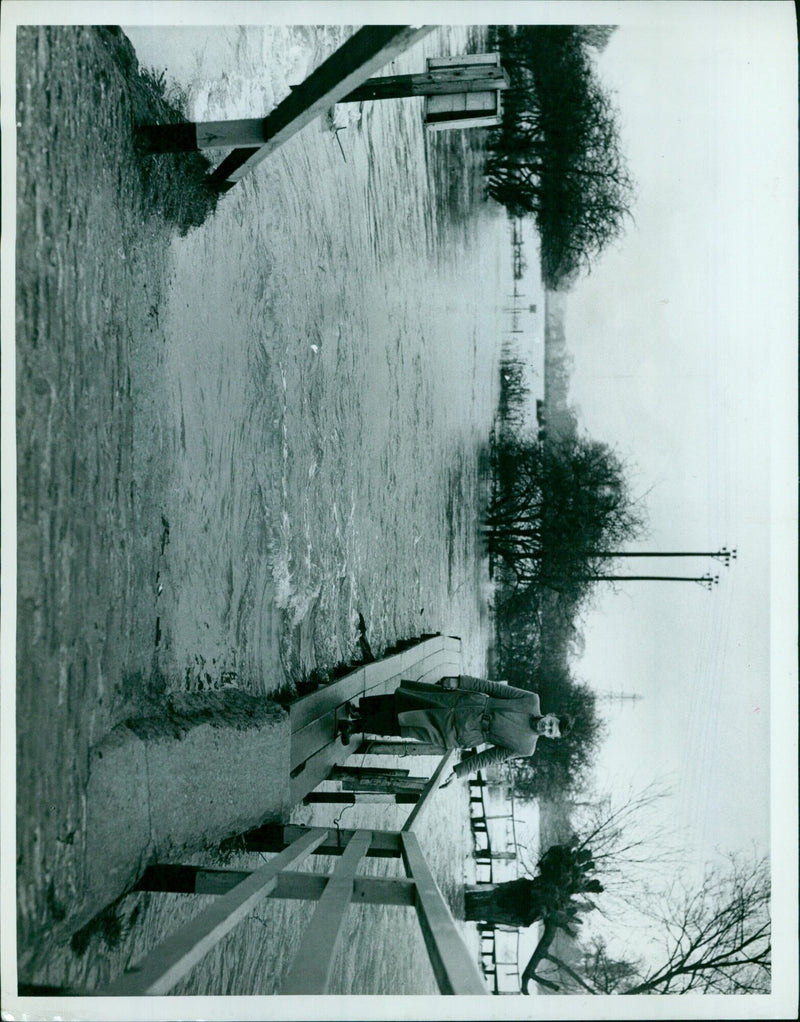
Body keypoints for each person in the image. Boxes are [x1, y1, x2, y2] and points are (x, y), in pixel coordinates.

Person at [337, 675, 573, 785]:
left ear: (550, 738)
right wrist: (461, 682)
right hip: (466, 704)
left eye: (551, 732)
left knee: (409, 726)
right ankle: (360, 710)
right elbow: (491, 688)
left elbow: (489, 757)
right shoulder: (531, 700)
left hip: (463, 733)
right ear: (551, 715)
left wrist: (459, 771)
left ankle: (356, 726)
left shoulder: (526, 747)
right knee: (409, 700)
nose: (547, 727)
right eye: (551, 723)